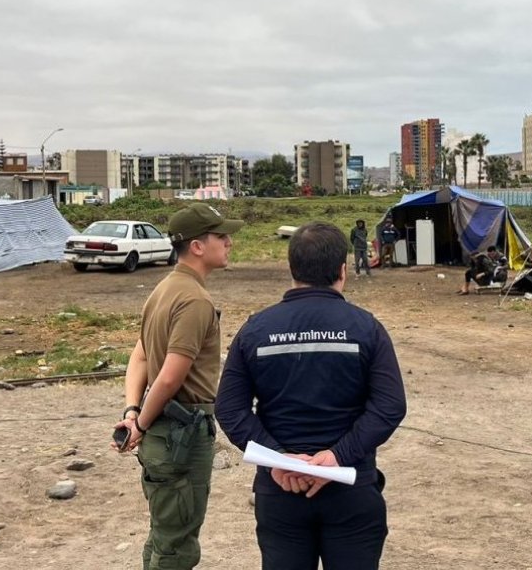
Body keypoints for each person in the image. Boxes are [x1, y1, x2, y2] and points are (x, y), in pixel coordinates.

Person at [216, 221, 406, 570]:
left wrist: (279, 459)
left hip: (281, 493)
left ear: (291, 269)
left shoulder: (255, 330)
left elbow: (229, 409)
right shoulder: (367, 328)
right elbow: (390, 405)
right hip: (351, 488)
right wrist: (336, 458)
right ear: (343, 271)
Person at [111, 202, 243, 570]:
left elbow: (138, 359)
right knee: (177, 546)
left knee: (163, 534)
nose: (229, 242)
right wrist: (139, 422)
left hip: (161, 431)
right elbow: (169, 376)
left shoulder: (163, 290)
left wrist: (133, 411)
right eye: (221, 236)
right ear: (198, 246)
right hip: (180, 434)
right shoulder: (195, 299)